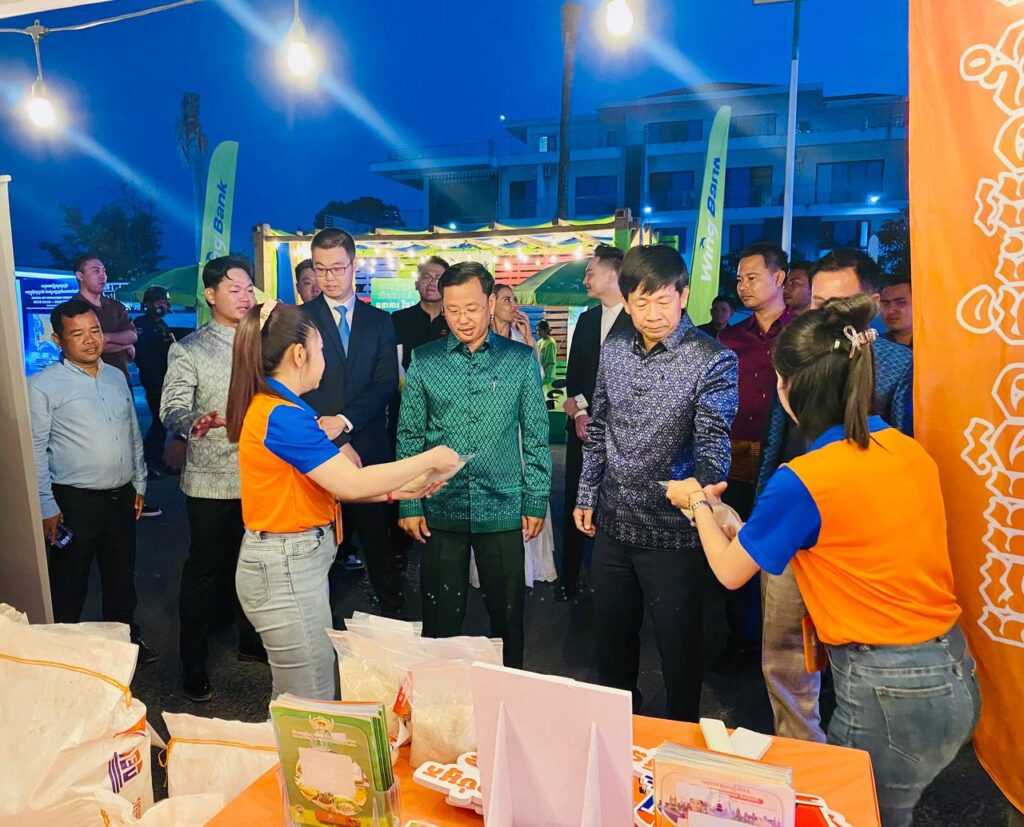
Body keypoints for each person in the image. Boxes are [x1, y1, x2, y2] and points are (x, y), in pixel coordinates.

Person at [667, 295, 979, 827]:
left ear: (791, 387)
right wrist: (730, 522)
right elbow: (837, 539)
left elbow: (729, 572)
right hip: (952, 671)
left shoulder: (806, 477)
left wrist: (696, 502)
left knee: (856, 816)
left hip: (885, 690)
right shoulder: (906, 451)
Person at [226, 300, 459, 701]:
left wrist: (396, 491)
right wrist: (430, 457)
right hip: (285, 567)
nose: (325, 360)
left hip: (289, 562)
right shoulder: (281, 416)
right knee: (309, 697)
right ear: (299, 355)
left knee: (303, 691)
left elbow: (331, 483)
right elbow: (350, 483)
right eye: (321, 349)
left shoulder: (281, 408)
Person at [573, 245, 738, 722]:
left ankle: (681, 734)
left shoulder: (712, 359)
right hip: (613, 524)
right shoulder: (614, 350)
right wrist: (586, 493)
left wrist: (705, 489)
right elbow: (599, 427)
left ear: (682, 296)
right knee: (612, 641)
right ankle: (619, 729)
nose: (652, 314)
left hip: (674, 532)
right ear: (626, 302)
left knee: (679, 647)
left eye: (663, 300)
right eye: (641, 302)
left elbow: (713, 441)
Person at [757, 247, 914, 743]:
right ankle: (800, 752)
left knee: (855, 661)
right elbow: (779, 434)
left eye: (836, 305)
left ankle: (856, 761)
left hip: (853, 539)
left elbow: (902, 449)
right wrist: (762, 499)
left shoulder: (897, 364)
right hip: (792, 517)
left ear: (870, 302)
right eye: (817, 304)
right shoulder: (801, 351)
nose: (823, 315)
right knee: (785, 653)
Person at [396, 262, 551, 669]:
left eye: (472, 308)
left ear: (490, 304)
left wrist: (535, 499)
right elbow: (410, 435)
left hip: (502, 505)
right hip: (440, 504)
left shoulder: (519, 360)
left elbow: (537, 434)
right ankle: (440, 695)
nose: (462, 319)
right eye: (452, 310)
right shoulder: (425, 360)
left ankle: (508, 689)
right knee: (440, 618)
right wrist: (409, 502)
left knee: (507, 615)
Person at [160, 256, 266, 702]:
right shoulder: (190, 348)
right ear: (210, 295)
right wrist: (193, 421)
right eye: (233, 289)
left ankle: (251, 641)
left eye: (248, 289)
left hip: (261, 476)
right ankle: (193, 661)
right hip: (210, 479)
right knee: (205, 569)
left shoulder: (264, 341)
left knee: (256, 565)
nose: (244, 297)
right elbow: (171, 407)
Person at [28, 299, 156, 664]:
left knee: (121, 578)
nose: (90, 340)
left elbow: (132, 432)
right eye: (77, 333)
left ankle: (124, 645)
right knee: (69, 581)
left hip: (121, 497)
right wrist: (46, 505)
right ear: (58, 340)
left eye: (95, 330)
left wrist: (140, 482)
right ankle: (63, 654)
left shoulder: (116, 376)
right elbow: (35, 449)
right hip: (74, 502)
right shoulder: (42, 386)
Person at [300, 228, 405, 611]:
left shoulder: (379, 321)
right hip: (318, 446)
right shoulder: (299, 319)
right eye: (320, 269)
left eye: (337, 268)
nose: (329, 278)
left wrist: (345, 421)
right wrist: (336, 436)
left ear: (354, 266)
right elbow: (296, 387)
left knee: (379, 538)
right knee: (320, 541)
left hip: (371, 446)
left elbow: (385, 383)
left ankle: (392, 613)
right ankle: (320, 620)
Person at [715, 242, 794, 672]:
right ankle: (739, 638)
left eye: (752, 277)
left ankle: (781, 644)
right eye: (740, 279)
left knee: (783, 554)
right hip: (736, 454)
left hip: (783, 458)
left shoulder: (801, 333)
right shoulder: (730, 338)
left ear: (778, 278)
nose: (743, 286)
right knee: (736, 541)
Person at [557, 243, 635, 603]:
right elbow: (574, 375)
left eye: (590, 272)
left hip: (623, 436)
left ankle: (611, 579)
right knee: (575, 498)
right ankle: (569, 578)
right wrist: (580, 413)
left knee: (615, 505)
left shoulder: (637, 319)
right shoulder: (587, 320)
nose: (585, 279)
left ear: (613, 275)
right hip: (583, 431)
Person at [72, 253, 137, 380]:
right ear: (80, 276)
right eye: (96, 271)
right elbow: (87, 348)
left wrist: (106, 337)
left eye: (104, 271)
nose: (103, 276)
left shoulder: (116, 306)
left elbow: (132, 336)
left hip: (121, 380)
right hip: (89, 382)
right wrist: (125, 345)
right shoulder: (72, 309)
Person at [134, 285, 175, 477]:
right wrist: (155, 382)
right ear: (148, 304)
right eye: (159, 302)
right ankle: (150, 461)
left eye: (165, 302)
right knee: (160, 421)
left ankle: (157, 459)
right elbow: (143, 355)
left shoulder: (161, 324)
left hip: (165, 380)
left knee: (163, 422)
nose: (163, 306)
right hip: (154, 381)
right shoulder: (143, 324)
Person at [391, 256, 450, 372]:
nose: (431, 282)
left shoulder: (455, 321)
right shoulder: (398, 319)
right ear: (416, 284)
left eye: (438, 278)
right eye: (426, 277)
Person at [881, 278, 913, 348]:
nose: (891, 311)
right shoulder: (876, 347)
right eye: (886, 304)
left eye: (900, 302)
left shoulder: (933, 343)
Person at [535, 320, 557, 384]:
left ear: (546, 330)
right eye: (537, 330)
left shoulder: (551, 343)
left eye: (539, 330)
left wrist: (539, 371)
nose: (537, 333)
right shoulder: (539, 342)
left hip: (548, 377)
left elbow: (549, 362)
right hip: (541, 375)